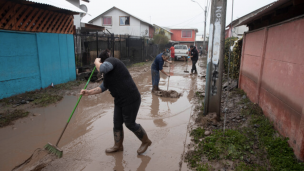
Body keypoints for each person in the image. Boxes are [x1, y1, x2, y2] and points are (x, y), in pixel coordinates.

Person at [80, 49, 152, 155]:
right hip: (119, 100)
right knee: (117, 123)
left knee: (129, 123)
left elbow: (103, 68)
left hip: (131, 98)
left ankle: (146, 141)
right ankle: (118, 146)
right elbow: (104, 86)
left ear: (102, 61)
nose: (97, 67)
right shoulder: (108, 73)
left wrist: (96, 62)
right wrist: (88, 92)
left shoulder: (112, 61)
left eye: (99, 64)